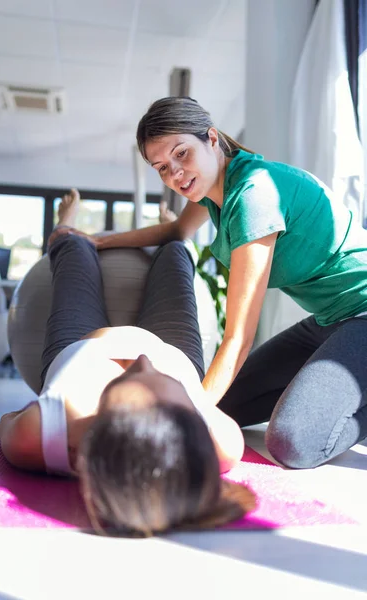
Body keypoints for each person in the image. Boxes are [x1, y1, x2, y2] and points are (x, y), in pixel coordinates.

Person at [79, 96, 367, 471]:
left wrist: (184, 424)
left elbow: (238, 337)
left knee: (293, 443)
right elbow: (176, 230)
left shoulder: (253, 197)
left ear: (211, 139)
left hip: (362, 310)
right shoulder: (215, 189)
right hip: (329, 320)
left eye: (182, 154)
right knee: (223, 403)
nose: (176, 175)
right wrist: (97, 241)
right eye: (162, 167)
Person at [0, 189, 254, 537]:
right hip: (173, 345)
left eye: (125, 380)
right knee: (176, 253)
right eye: (164, 383)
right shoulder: (221, 443)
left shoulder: (40, 436)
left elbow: (7, 419)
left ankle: (65, 222)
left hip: (76, 344)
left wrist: (46, 410)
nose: (141, 359)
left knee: (73, 248)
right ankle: (171, 227)